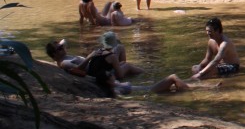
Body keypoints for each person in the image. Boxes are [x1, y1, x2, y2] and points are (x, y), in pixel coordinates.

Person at [46, 41, 196, 94]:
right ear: (54, 54)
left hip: (129, 86)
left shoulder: (64, 56)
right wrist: (91, 57)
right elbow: (77, 69)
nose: (62, 48)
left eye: (61, 46)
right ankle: (192, 89)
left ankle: (190, 86)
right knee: (172, 79)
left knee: (170, 84)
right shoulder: (64, 62)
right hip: (101, 75)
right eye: (59, 48)